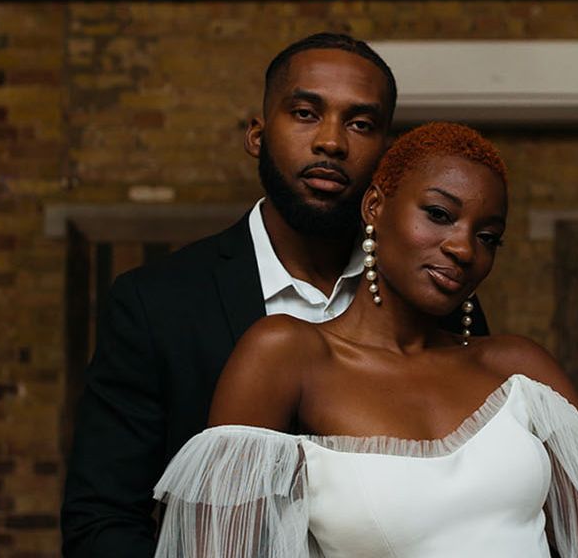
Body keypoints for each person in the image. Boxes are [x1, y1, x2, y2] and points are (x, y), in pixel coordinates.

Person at [152, 122, 578, 558]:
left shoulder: (518, 369)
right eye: (438, 214)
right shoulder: (287, 354)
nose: (463, 249)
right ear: (375, 208)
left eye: (487, 237)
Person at [61, 33, 487, 557]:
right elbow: (102, 519)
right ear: (258, 135)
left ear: (387, 157)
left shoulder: (432, 297)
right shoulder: (157, 304)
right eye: (306, 113)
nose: (332, 142)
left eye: (360, 123)